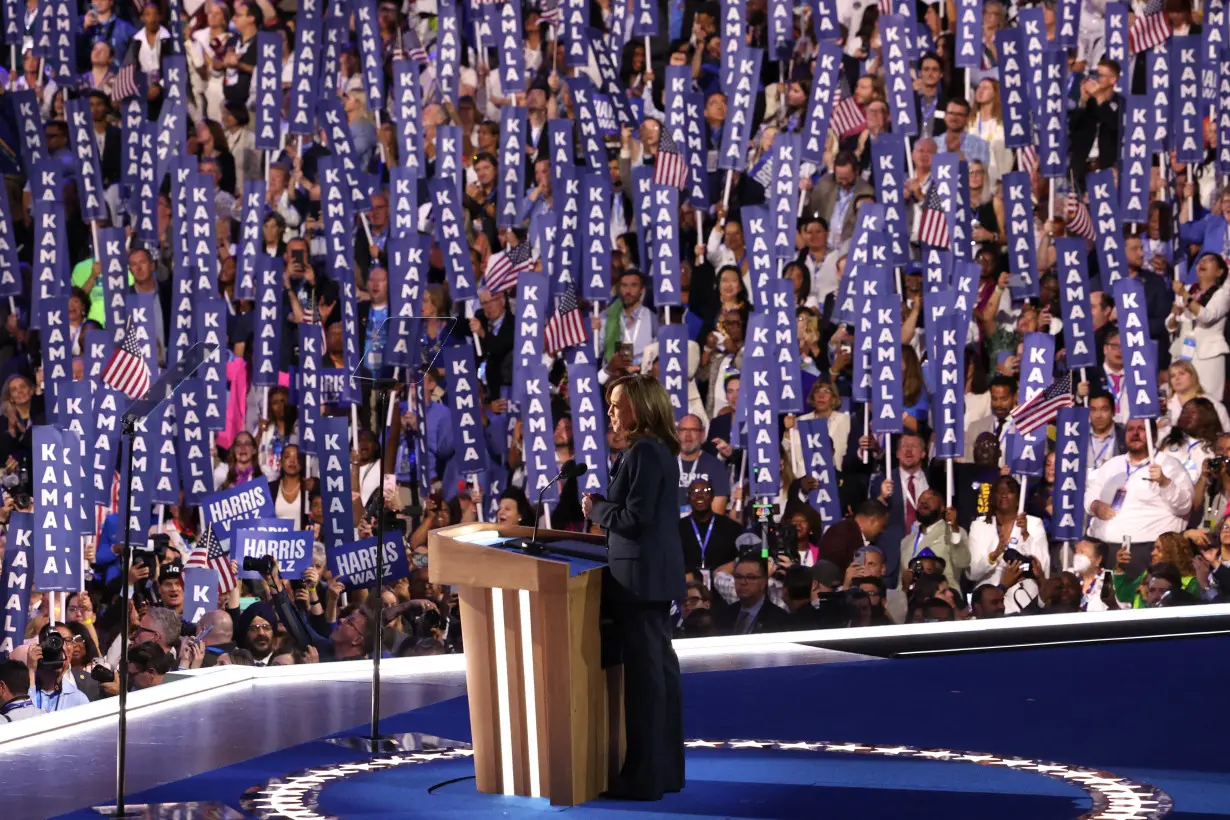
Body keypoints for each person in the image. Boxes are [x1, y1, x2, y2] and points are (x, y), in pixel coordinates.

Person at [580, 374, 685, 801]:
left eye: (616, 403)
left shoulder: (643, 450)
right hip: (650, 577)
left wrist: (596, 508)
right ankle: (664, 773)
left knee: (646, 683)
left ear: (639, 407)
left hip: (638, 579)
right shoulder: (657, 450)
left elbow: (634, 518)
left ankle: (642, 780)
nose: (610, 412)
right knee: (659, 676)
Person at [1085, 418, 1195, 579]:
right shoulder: (1112, 464)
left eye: (1142, 429)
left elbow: (1185, 506)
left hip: (1146, 551)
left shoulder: (1170, 465)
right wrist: (1095, 506)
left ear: (1154, 435)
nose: (1135, 433)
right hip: (1106, 550)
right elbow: (1091, 493)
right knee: (1105, 602)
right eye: (1130, 429)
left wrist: (1165, 483)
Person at [711, 553, 792, 635]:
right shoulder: (724, 615)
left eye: (750, 577)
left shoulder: (779, 619)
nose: (743, 582)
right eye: (738, 577)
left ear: (764, 581)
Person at [678, 479, 741, 572]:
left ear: (712, 496)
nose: (699, 496)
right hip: (688, 584)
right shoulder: (678, 529)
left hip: (721, 583)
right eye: (694, 493)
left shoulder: (731, 528)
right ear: (688, 498)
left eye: (705, 491)